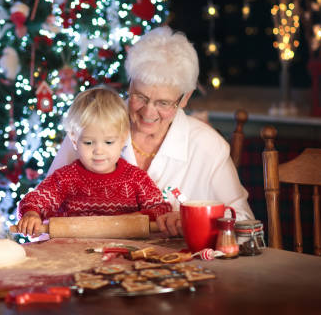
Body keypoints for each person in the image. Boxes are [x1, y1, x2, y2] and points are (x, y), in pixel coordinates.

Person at [47, 26, 254, 236]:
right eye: (140, 96)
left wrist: (194, 219)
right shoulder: (92, 124)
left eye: (163, 103)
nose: (148, 112)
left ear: (185, 98)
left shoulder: (207, 145)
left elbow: (246, 223)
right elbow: (49, 210)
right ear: (130, 85)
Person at [16, 86, 172, 236]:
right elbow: (36, 200)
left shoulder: (136, 179)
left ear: (123, 138)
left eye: (109, 142)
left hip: (123, 255)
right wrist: (31, 213)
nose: (99, 150)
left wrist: (135, 219)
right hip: (73, 254)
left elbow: (161, 209)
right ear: (74, 139)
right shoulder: (65, 179)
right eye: (89, 143)